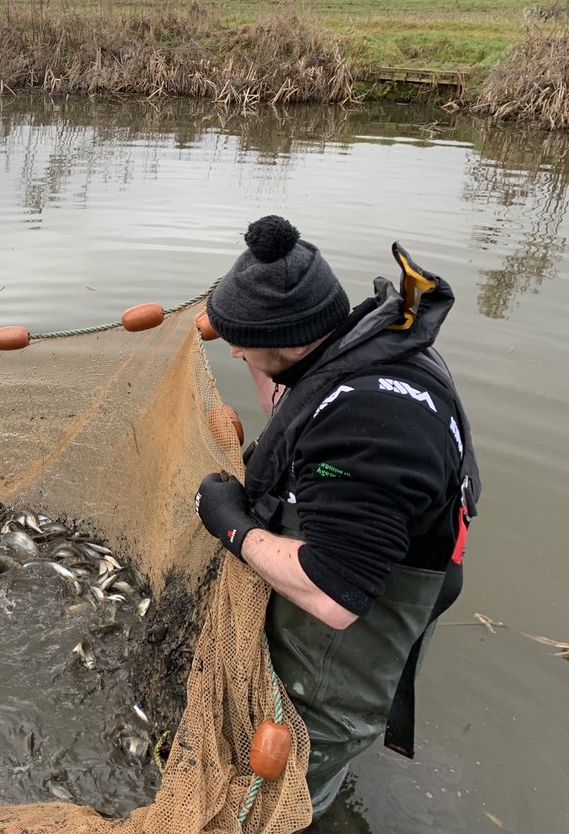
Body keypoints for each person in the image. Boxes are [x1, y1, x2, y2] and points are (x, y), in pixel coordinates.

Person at [193, 216, 481, 818]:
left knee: (291, 781)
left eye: (243, 341)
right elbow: (292, 391)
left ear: (293, 340)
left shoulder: (364, 430)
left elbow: (335, 594)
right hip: (383, 564)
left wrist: (233, 527)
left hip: (347, 626)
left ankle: (305, 811)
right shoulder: (370, 345)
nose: (236, 350)